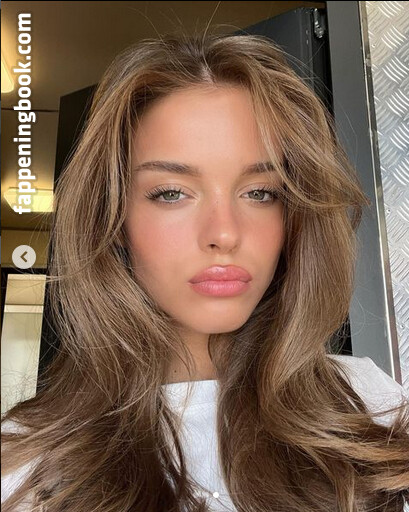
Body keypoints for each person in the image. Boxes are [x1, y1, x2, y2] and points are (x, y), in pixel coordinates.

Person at [1, 31, 409, 512]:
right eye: (172, 192)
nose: (225, 233)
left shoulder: (368, 403)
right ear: (113, 219)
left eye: (260, 192)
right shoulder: (26, 464)